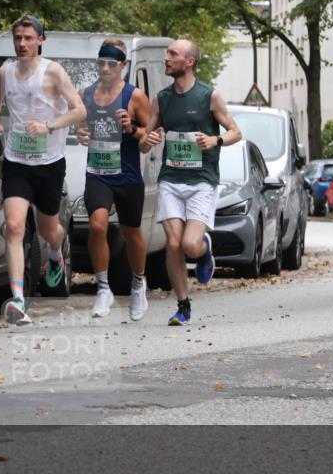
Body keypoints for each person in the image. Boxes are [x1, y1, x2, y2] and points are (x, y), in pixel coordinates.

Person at [0, 14, 87, 325]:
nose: (22, 43)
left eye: (28, 38)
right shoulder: (5, 72)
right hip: (16, 161)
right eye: (18, 38)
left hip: (49, 163)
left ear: (40, 40)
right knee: (14, 227)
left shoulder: (53, 71)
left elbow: (79, 110)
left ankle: (56, 256)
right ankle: (18, 299)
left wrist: (49, 126)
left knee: (48, 230)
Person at [141, 39, 242, 326]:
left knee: (189, 244)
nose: (166, 57)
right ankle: (183, 305)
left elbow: (236, 132)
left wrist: (215, 140)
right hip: (170, 180)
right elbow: (143, 144)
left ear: (189, 62)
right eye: (167, 53)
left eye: (172, 54)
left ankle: (204, 249)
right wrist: (149, 140)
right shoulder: (161, 99)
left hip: (202, 181)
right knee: (173, 245)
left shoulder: (209, 96)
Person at [75, 38, 151, 320]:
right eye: (101, 63)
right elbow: (81, 128)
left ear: (123, 65)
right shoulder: (85, 94)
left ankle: (138, 284)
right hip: (97, 172)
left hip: (127, 175)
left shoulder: (135, 97)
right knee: (97, 225)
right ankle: (103, 289)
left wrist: (131, 128)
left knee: (132, 233)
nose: (105, 68)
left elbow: (150, 137)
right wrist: (81, 133)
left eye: (111, 64)